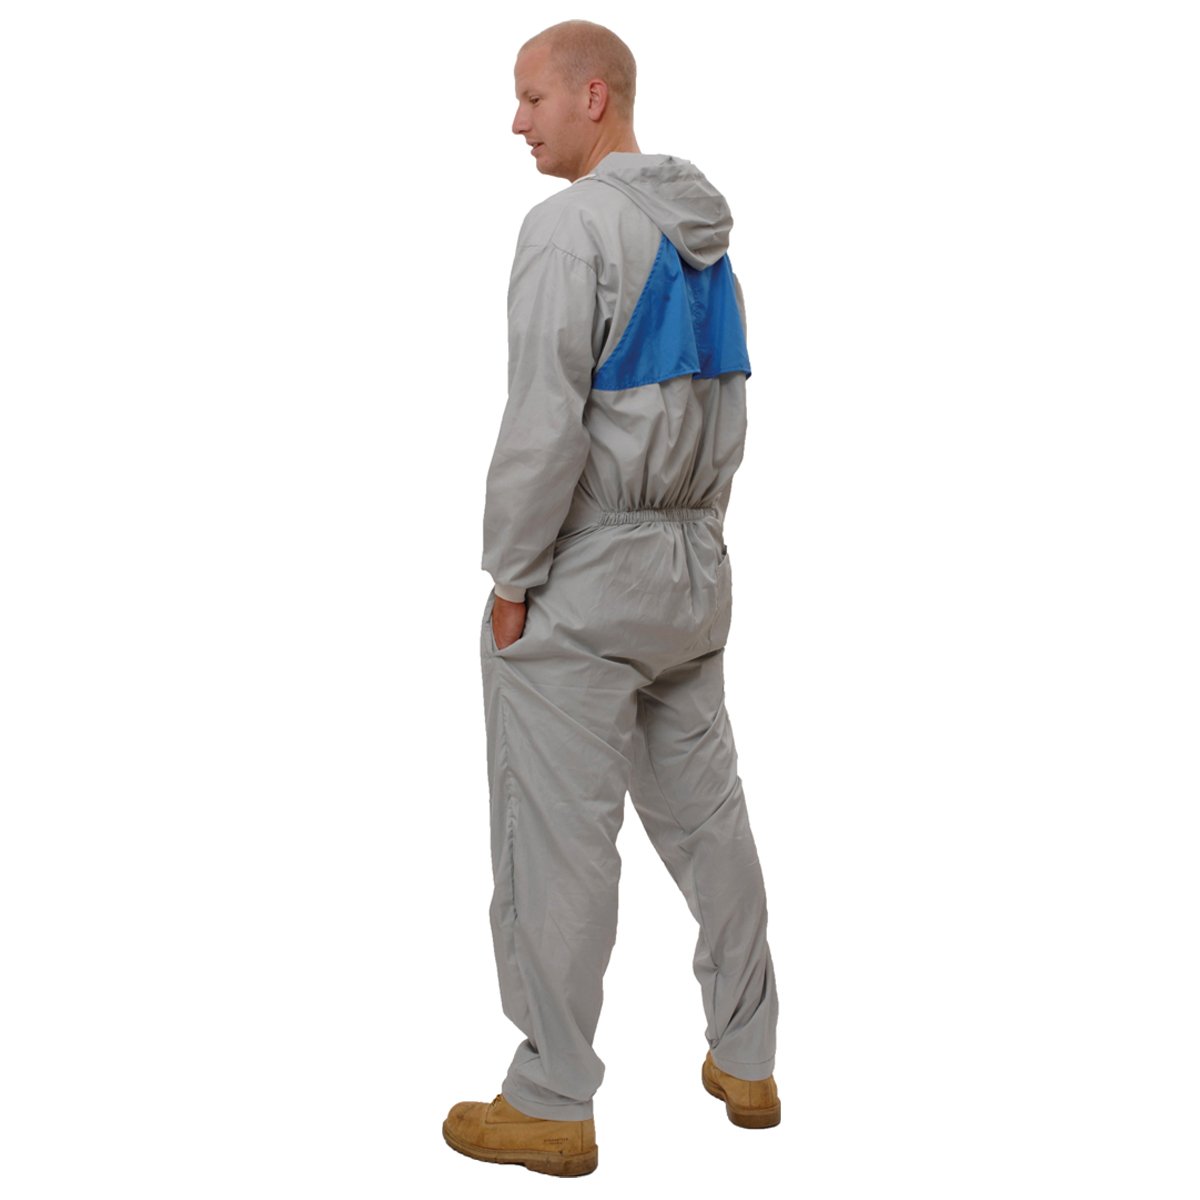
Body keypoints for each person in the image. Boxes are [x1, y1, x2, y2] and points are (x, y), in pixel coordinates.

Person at [442, 20, 780, 1177]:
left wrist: (512, 576)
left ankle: (550, 1100)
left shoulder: (569, 229)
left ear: (596, 97)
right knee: (709, 818)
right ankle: (748, 1055)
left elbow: (542, 425)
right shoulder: (706, 241)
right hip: (692, 569)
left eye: (532, 97)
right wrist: (692, 539)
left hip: (585, 576)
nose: (516, 121)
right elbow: (729, 411)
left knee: (558, 842)